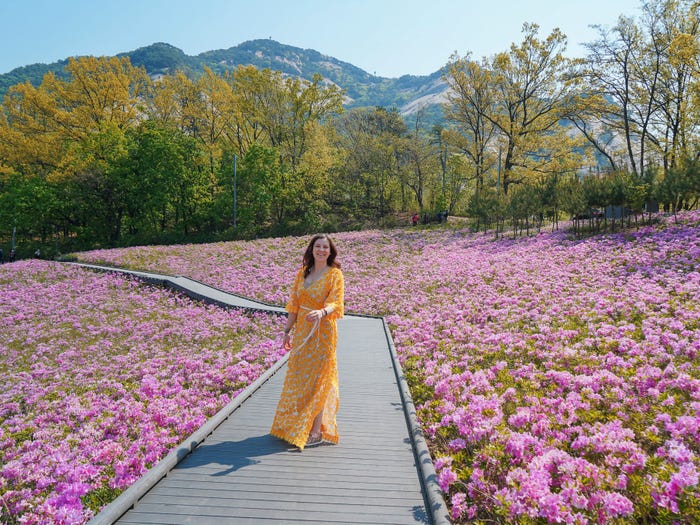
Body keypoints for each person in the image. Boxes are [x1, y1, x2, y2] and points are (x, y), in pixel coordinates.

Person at [271, 234, 345, 450]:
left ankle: (315, 430)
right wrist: (287, 331)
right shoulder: (302, 273)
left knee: (319, 379)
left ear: (330, 252)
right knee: (300, 378)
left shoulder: (335, 275)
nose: (321, 250)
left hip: (324, 331)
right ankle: (295, 424)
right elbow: (294, 304)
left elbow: (336, 303)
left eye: (325, 247)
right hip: (303, 331)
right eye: (317, 246)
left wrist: (322, 312)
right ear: (311, 249)